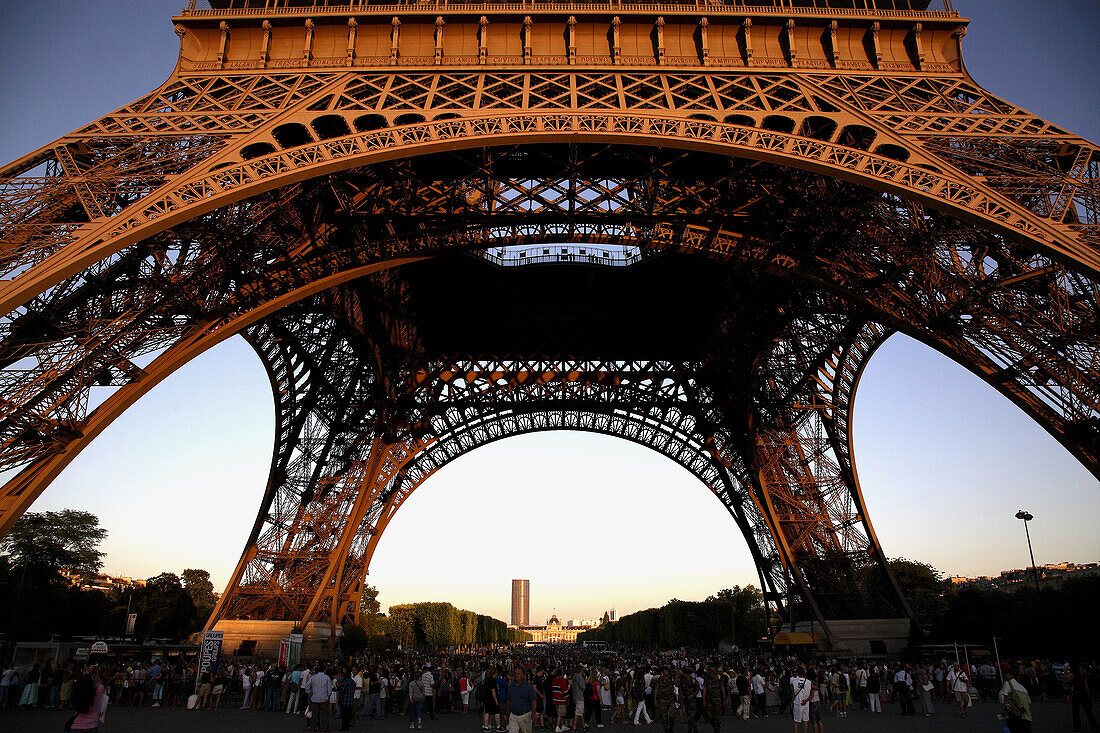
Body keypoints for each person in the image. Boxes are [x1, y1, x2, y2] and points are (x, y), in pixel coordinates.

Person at [1068, 662, 1099, 731]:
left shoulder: (1073, 676)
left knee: (1076, 711)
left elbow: (1066, 680)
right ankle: (1094, 726)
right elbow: (1086, 686)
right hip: (1083, 694)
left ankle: (1077, 726)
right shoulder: (1082, 676)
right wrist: (1088, 695)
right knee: (1088, 711)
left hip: (1076, 694)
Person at [506, 668, 539, 733]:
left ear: (522, 675)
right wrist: (508, 713)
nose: (516, 675)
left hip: (525, 716)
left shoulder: (528, 686)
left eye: (518, 674)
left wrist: (533, 714)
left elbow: (533, 701)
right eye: (515, 673)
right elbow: (508, 701)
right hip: (513, 715)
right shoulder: (511, 686)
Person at [306, 665, 333, 732]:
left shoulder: (313, 677)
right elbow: (329, 689)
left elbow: (307, 685)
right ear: (324, 670)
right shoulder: (327, 677)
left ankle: (313, 728)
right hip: (324, 698)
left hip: (314, 698)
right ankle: (324, 728)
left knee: (314, 715)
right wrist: (329, 695)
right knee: (324, 715)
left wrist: (309, 693)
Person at [653, 667, 676, 733]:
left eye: (667, 671)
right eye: (665, 671)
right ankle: (666, 729)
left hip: (671, 699)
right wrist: (655, 700)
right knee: (664, 717)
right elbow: (656, 690)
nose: (666, 672)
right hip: (663, 700)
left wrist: (676, 677)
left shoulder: (671, 679)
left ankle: (671, 727)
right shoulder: (659, 680)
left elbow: (677, 684)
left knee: (672, 715)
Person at [791, 667, 810, 733]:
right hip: (806, 702)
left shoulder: (794, 682)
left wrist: (792, 702)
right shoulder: (808, 682)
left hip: (797, 702)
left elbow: (793, 693)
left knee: (796, 721)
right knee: (806, 721)